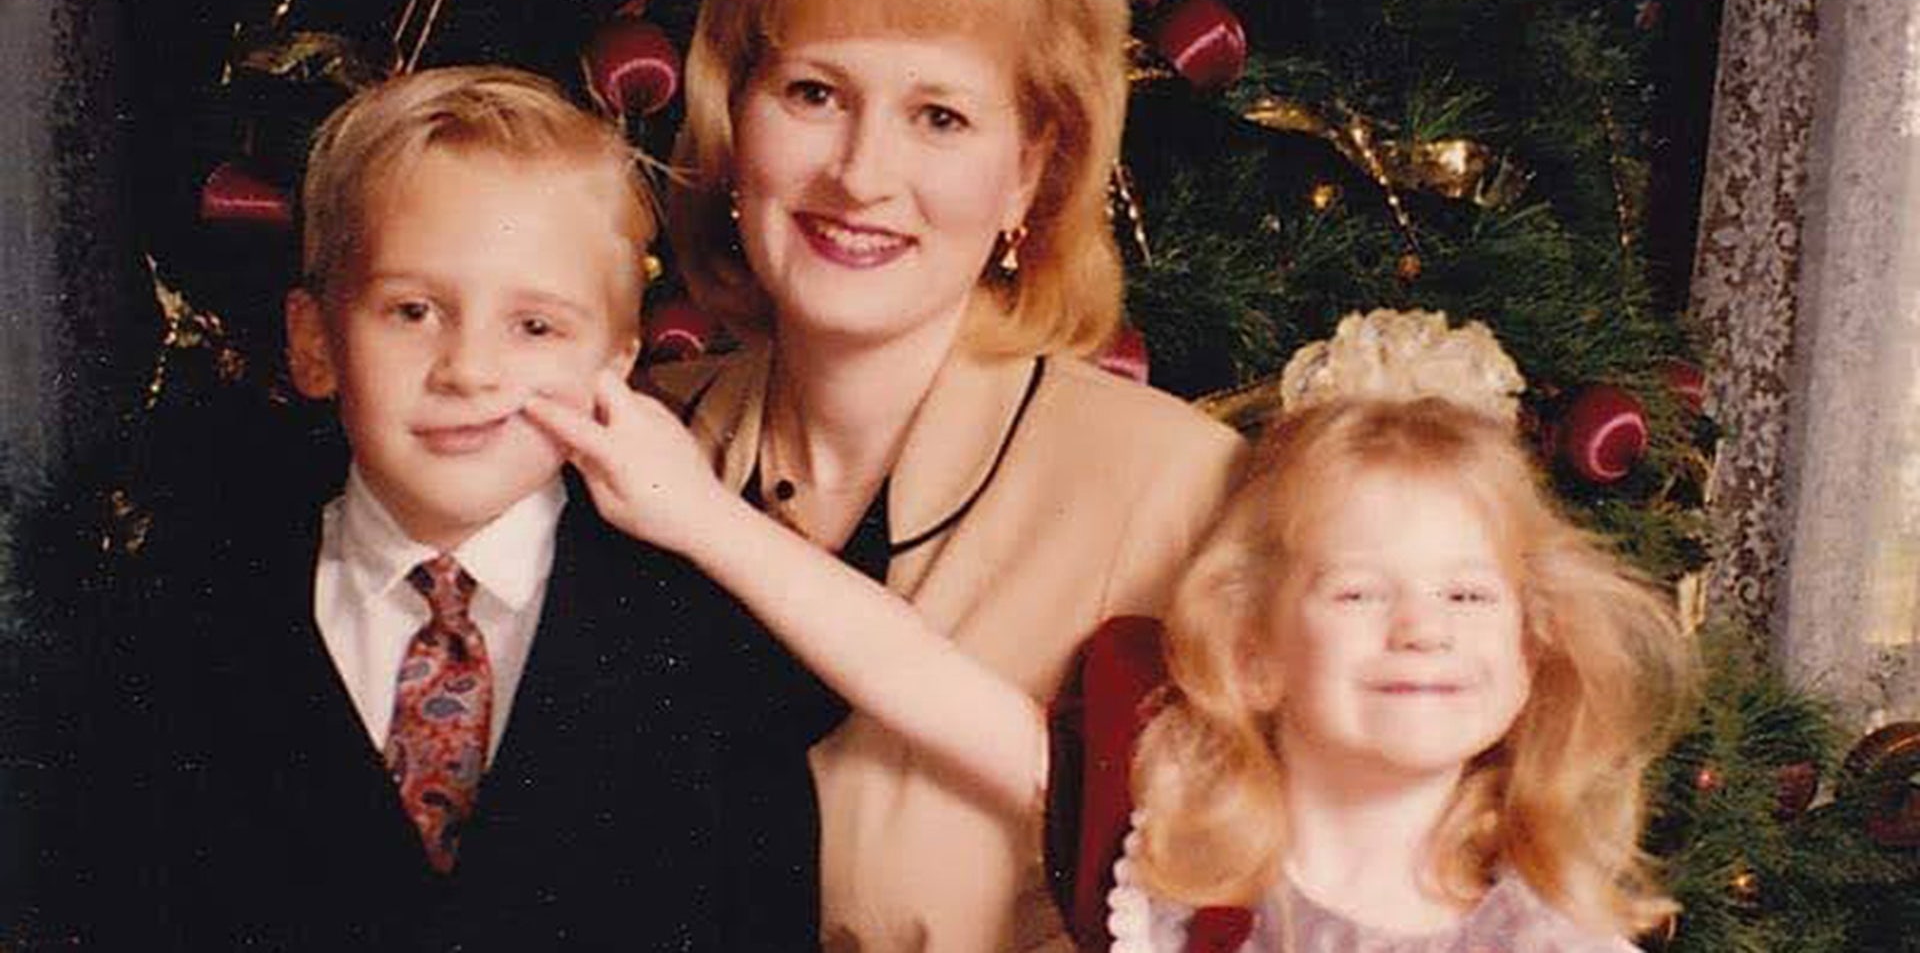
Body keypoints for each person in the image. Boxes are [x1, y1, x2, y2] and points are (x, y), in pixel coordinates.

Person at [621, 0, 1248, 947]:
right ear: (736, 119)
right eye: (814, 93)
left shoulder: (1178, 495)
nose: (862, 174)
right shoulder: (632, 440)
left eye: (940, 116)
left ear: (1028, 174)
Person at [530, 381, 1695, 952]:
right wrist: (696, 514)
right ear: (1256, 653)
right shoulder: (1173, 830)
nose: (1423, 628)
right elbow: (920, 677)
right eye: (1358, 591)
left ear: (1531, 647)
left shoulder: (1553, 940)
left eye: (1468, 594)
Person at [74, 65, 811, 950]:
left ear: (614, 363)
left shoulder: (704, 640)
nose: (469, 369)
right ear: (315, 343)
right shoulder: (177, 627)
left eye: (535, 326)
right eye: (413, 310)